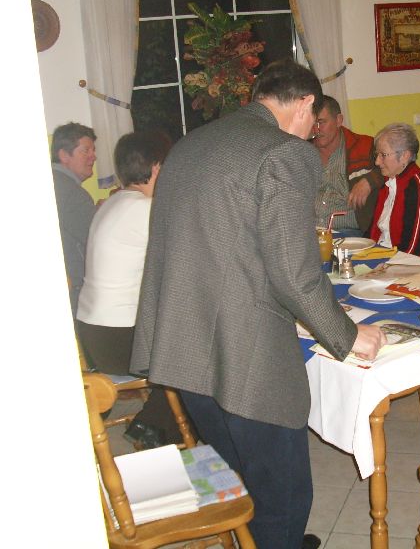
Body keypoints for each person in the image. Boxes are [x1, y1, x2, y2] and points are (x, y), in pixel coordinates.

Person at [130, 59, 387, 549]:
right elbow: (294, 274)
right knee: (284, 492)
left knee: (237, 470)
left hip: (182, 342)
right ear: (306, 103)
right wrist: (349, 335)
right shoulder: (285, 152)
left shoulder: (190, 143)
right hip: (245, 353)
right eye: (315, 120)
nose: (314, 131)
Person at [76, 131, 176, 449]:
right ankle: (154, 425)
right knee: (197, 348)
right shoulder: (146, 210)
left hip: (93, 334)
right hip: (118, 341)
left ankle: (154, 421)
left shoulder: (115, 202)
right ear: (157, 168)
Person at [368, 123, 420, 259]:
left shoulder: (419, 187)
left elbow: (412, 247)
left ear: (404, 156)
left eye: (383, 155)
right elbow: (373, 230)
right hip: (382, 254)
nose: (377, 162)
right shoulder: (389, 182)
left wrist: (378, 264)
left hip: (409, 264)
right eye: (377, 155)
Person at [311, 96, 381, 236]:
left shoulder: (364, 146)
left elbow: (395, 168)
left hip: (349, 233)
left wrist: (369, 181)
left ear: (339, 120)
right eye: (312, 123)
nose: (316, 129)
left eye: (321, 122)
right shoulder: (302, 150)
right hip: (309, 232)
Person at [50, 122, 97, 317]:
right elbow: (96, 240)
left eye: (93, 150)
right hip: (75, 292)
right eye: (85, 150)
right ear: (64, 155)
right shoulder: (73, 194)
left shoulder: (55, 182)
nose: (93, 156)